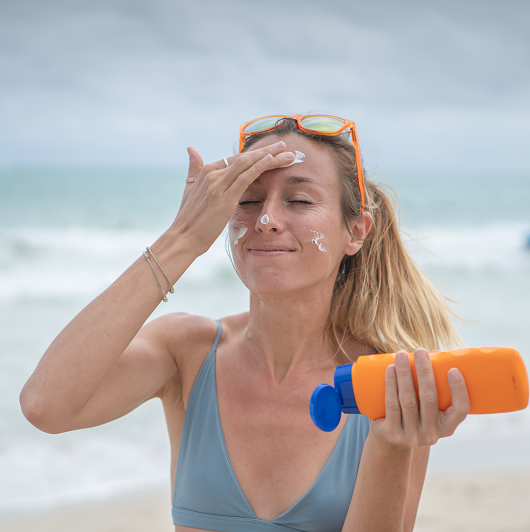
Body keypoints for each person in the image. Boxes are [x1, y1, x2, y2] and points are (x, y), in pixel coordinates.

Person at [20, 115, 470, 532]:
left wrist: (392, 445)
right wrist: (182, 240)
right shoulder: (187, 352)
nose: (267, 220)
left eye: (298, 200)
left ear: (355, 232)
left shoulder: (389, 381)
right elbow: (46, 405)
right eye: (248, 201)